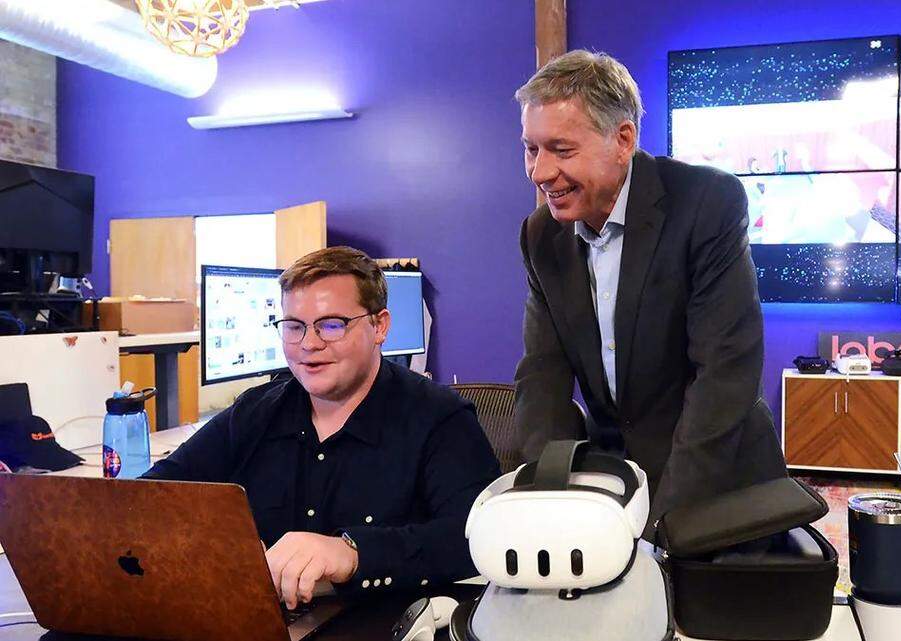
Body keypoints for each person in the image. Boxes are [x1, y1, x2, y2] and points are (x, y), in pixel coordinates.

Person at [512, 50, 788, 533]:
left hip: (719, 481)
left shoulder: (706, 203)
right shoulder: (541, 235)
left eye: (561, 149)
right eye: (531, 149)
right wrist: (546, 497)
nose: (539, 172)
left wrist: (665, 523)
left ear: (623, 139)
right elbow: (542, 375)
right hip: (615, 487)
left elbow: (724, 372)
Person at [145, 246, 500, 608]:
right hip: (260, 618)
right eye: (294, 327)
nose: (309, 344)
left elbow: (474, 539)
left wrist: (353, 554)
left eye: (332, 325)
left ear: (380, 327)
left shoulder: (440, 418)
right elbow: (151, 496)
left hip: (379, 623)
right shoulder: (255, 412)